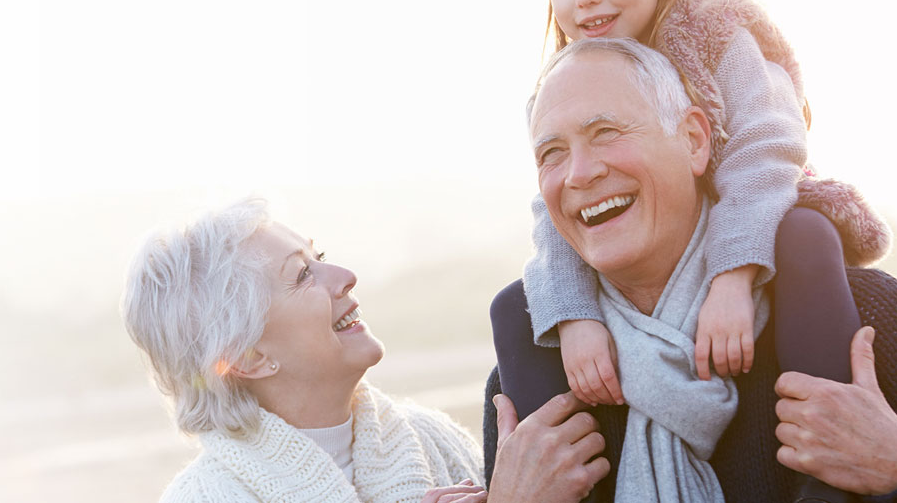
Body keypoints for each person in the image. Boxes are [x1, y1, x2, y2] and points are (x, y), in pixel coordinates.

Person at [482, 37, 897, 501]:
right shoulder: (529, 384)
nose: (579, 173)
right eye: (551, 153)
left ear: (696, 140)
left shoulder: (865, 318)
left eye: (606, 132)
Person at [498, 0, 882, 500]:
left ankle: (827, 466)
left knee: (807, 235)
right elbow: (555, 212)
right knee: (516, 307)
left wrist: (734, 279)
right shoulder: (566, 81)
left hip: (759, 208)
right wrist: (574, 321)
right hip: (651, 249)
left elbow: (767, 146)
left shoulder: (714, 29)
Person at [125, 198, 608, 502]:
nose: (344, 276)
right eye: (300, 275)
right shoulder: (207, 496)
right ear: (248, 357)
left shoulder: (430, 437)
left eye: (322, 258)